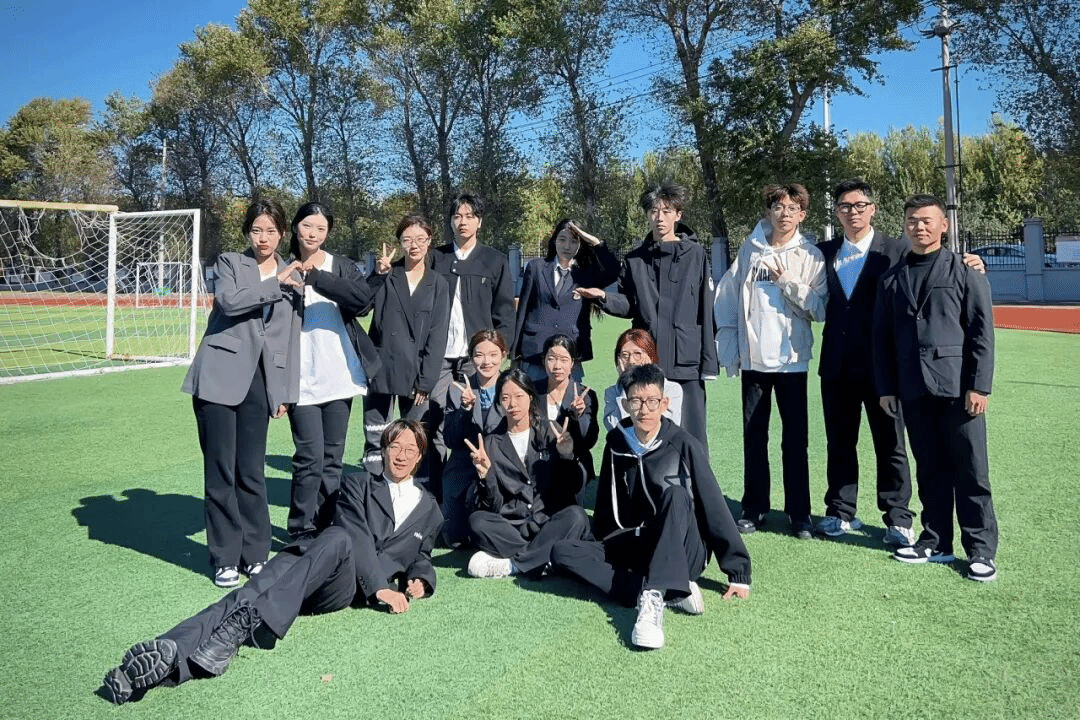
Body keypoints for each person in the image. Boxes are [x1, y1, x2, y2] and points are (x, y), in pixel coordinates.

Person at [101, 419, 444, 705]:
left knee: (326, 546)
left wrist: (421, 579)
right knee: (243, 597)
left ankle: (242, 626)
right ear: (383, 450)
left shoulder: (429, 509)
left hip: (342, 587)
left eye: (410, 449)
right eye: (394, 446)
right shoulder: (357, 485)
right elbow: (355, 532)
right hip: (312, 561)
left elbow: (421, 553)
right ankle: (159, 662)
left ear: (419, 457)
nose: (401, 455)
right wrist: (382, 589)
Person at [551, 364, 751, 650]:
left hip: (683, 548)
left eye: (652, 401)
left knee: (676, 495)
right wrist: (598, 548)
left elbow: (713, 505)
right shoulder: (616, 444)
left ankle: (654, 599)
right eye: (636, 401)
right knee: (563, 551)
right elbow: (607, 507)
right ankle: (669, 589)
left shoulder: (684, 444)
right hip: (636, 546)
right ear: (625, 405)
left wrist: (738, 572)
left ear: (664, 403)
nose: (644, 409)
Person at [873, 194, 999, 582]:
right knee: (929, 468)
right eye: (912, 220)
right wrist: (887, 387)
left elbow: (981, 333)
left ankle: (980, 550)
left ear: (944, 226)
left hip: (959, 389)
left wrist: (979, 386)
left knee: (971, 469)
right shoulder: (892, 278)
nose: (919, 227)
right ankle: (936, 542)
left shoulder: (966, 271)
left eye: (927, 220)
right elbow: (882, 339)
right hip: (913, 388)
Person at [181, 199, 303, 587]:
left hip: (260, 383)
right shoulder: (231, 263)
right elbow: (230, 302)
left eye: (270, 231)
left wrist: (284, 392)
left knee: (251, 471)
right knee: (221, 471)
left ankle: (256, 554)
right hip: (218, 376)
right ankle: (225, 558)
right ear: (247, 233)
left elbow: (289, 339)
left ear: (282, 234)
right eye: (256, 230)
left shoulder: (293, 274)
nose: (263, 238)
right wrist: (274, 283)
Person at [714, 183, 827, 539]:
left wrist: (788, 281)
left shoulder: (811, 255)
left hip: (791, 363)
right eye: (778, 207)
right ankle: (754, 508)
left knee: (795, 441)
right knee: (754, 438)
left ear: (802, 215)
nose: (784, 214)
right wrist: (730, 349)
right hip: (755, 363)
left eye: (792, 208)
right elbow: (728, 297)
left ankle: (799, 514)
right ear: (768, 212)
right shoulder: (750, 250)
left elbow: (820, 308)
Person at [578, 183, 718, 450]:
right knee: (647, 430)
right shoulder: (635, 259)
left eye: (666, 211)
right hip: (647, 357)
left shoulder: (696, 255)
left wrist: (709, 363)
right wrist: (603, 297)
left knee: (692, 434)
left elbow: (706, 306)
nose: (660, 217)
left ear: (678, 215)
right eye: (654, 211)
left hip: (686, 361)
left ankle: (695, 478)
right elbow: (628, 304)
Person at [283, 201, 382, 541]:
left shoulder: (339, 266)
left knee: (332, 459)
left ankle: (326, 526)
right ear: (296, 227)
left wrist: (317, 278)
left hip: (340, 377)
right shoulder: (282, 267)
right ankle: (300, 529)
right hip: (300, 380)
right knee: (308, 458)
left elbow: (362, 301)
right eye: (308, 226)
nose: (313, 233)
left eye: (321, 228)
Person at [464, 368, 591, 579]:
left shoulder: (551, 432)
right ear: (499, 402)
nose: (512, 404)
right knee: (477, 521)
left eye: (519, 396)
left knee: (577, 516)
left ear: (531, 398)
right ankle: (542, 558)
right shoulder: (491, 443)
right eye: (505, 398)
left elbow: (570, 490)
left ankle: (513, 564)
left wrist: (566, 456)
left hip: (546, 521)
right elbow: (494, 505)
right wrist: (486, 475)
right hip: (512, 526)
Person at [360, 213, 450, 482]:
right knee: (376, 436)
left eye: (420, 239)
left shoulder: (438, 283)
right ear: (399, 242)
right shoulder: (388, 274)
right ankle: (374, 489)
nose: (414, 245)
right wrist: (377, 275)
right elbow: (361, 307)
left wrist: (427, 380)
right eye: (407, 239)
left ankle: (415, 493)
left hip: (417, 373)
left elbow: (438, 335)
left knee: (413, 439)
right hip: (380, 369)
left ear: (430, 241)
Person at [428, 192, 515, 464]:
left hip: (476, 358)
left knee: (476, 417)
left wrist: (500, 350)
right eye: (457, 216)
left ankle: (475, 474)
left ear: (480, 221)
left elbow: (504, 311)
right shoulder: (435, 258)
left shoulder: (495, 260)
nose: (462, 222)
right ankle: (437, 483)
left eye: (469, 216)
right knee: (436, 419)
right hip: (439, 357)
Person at [511, 219, 620, 383]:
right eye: (562, 239)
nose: (567, 246)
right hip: (535, 352)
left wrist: (596, 243)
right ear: (554, 240)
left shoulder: (586, 274)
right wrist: (514, 355)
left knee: (568, 400)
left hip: (570, 354)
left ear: (581, 244)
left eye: (574, 241)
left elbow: (614, 272)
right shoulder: (536, 267)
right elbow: (523, 311)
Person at [441, 329, 509, 546]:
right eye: (479, 355)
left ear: (504, 356)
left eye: (493, 354)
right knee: (456, 539)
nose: (486, 361)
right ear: (471, 358)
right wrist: (465, 409)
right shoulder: (457, 390)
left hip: (502, 465)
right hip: (465, 466)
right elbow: (450, 440)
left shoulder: (513, 387)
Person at [534, 334, 600, 484]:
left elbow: (588, 441)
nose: (557, 366)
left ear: (572, 363)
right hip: (538, 466)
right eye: (551, 359)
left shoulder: (586, 395)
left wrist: (579, 415)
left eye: (564, 360)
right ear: (544, 360)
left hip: (573, 465)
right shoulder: (532, 391)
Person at [602, 328, 683, 432]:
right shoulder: (612, 392)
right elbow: (615, 429)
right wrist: (626, 386)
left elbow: (666, 427)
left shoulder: (671, 389)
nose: (631, 361)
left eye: (637, 354)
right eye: (625, 355)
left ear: (650, 356)